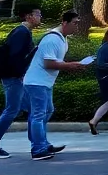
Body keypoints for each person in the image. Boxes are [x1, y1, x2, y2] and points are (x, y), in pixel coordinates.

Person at [24, 10, 86, 161]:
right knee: (38, 115)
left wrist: (72, 66)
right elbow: (48, 63)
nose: (76, 26)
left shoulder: (62, 39)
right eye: (74, 23)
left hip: (44, 82)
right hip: (36, 82)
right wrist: (71, 66)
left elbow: (56, 62)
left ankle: (41, 143)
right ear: (64, 23)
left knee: (46, 111)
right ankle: (38, 149)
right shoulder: (52, 39)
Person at [0, 0, 42, 159]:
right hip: (13, 78)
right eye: (38, 14)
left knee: (32, 108)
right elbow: (14, 56)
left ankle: (39, 145)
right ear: (29, 16)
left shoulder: (24, 32)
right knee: (12, 110)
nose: (40, 17)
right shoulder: (21, 32)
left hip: (16, 77)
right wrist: (20, 74)